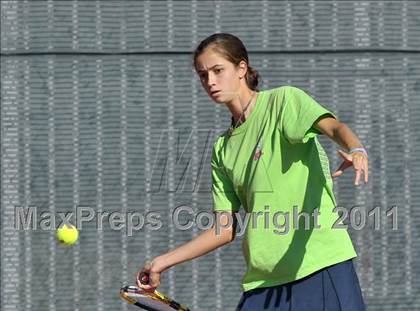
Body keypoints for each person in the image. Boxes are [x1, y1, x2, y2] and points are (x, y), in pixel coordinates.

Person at [136, 33, 368, 311]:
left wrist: (356, 149)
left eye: (218, 70)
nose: (210, 81)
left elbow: (333, 127)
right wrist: (163, 261)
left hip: (320, 265)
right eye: (202, 75)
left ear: (241, 69)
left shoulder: (283, 102)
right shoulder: (222, 148)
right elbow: (224, 229)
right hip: (264, 283)